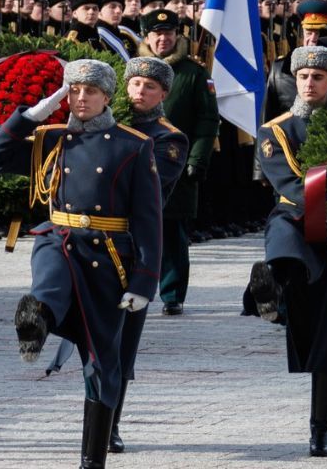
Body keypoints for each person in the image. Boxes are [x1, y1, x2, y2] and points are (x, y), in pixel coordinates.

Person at [0, 59, 164, 469]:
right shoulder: (51, 137)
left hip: (108, 255)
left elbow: (149, 219)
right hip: (59, 239)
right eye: (74, 91)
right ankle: (36, 318)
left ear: (107, 96)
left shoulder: (133, 145)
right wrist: (32, 115)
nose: (81, 99)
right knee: (49, 280)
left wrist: (143, 282)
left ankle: (92, 458)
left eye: (90, 92)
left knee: (102, 360)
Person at [247, 46, 327, 457]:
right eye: (303, 77)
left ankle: (321, 428)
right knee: (284, 250)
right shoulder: (276, 130)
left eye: (318, 77)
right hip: (295, 218)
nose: (309, 84)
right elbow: (289, 183)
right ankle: (269, 287)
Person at [105, 56, 189, 454]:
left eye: (149, 87)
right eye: (134, 84)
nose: (140, 92)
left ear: (163, 94)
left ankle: (110, 423)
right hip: (86, 239)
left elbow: (147, 193)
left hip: (130, 245)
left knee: (121, 343)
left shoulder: (168, 138)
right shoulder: (103, 120)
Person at [138, 9, 220, 317]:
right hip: (137, 161)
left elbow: (207, 119)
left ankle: (172, 294)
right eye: (157, 33)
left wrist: (198, 158)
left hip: (176, 163)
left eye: (169, 33)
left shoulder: (193, 73)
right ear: (147, 36)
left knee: (173, 233)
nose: (163, 38)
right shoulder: (132, 70)